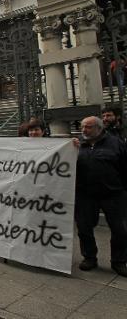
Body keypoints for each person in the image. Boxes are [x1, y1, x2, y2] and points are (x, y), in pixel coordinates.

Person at [74, 116, 127, 276]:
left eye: (88, 127)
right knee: (84, 228)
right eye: (82, 127)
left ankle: (119, 261)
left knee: (120, 229)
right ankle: (89, 257)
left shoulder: (116, 144)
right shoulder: (76, 145)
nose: (84, 130)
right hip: (85, 195)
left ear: (99, 128)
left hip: (113, 194)